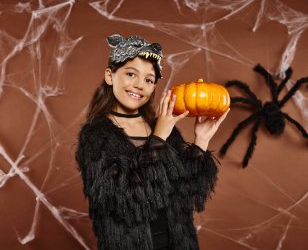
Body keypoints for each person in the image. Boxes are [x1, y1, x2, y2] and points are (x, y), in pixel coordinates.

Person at [75, 34, 229, 250]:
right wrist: (157, 139)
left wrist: (201, 141)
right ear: (110, 76)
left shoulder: (165, 128)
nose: (139, 85)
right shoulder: (95, 135)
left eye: (148, 80)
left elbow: (186, 192)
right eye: (131, 74)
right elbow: (123, 202)